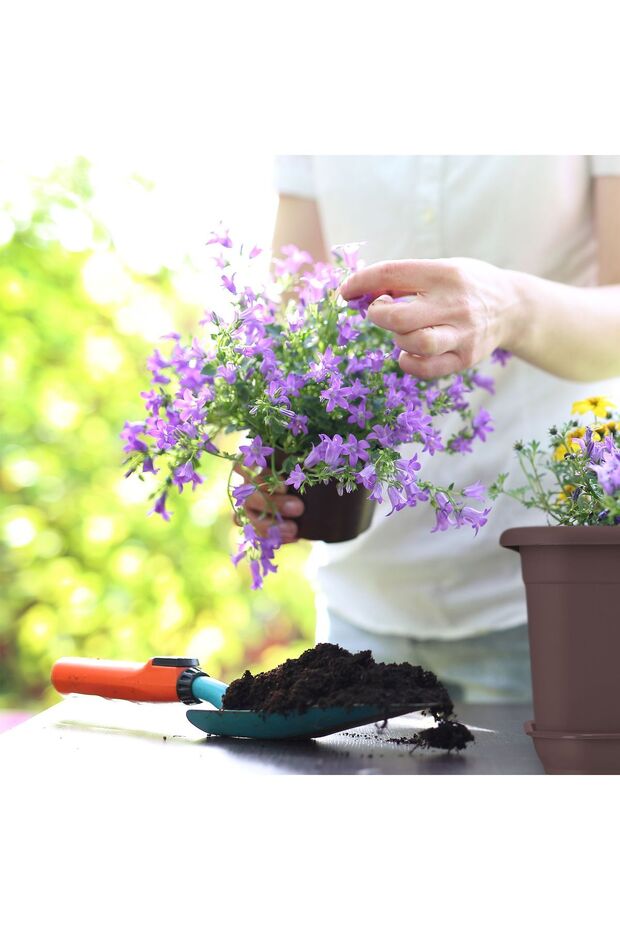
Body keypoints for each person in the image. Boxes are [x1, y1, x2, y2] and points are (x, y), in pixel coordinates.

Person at [241, 156, 620, 703]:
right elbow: (291, 315)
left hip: (544, 597)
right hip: (363, 601)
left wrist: (510, 307)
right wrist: (270, 445)